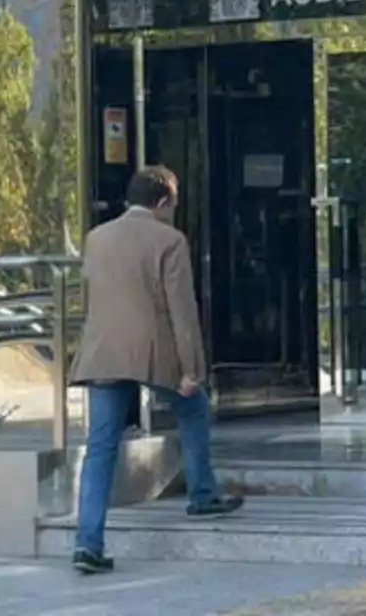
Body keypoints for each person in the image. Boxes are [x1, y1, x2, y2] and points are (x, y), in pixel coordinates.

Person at [69, 165, 243, 575]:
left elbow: (90, 296)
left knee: (100, 447)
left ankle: (87, 544)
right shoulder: (170, 240)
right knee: (194, 407)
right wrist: (191, 368)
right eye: (174, 205)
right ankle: (202, 496)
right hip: (153, 351)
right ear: (162, 203)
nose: (174, 212)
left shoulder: (96, 238)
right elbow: (181, 310)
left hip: (103, 352)